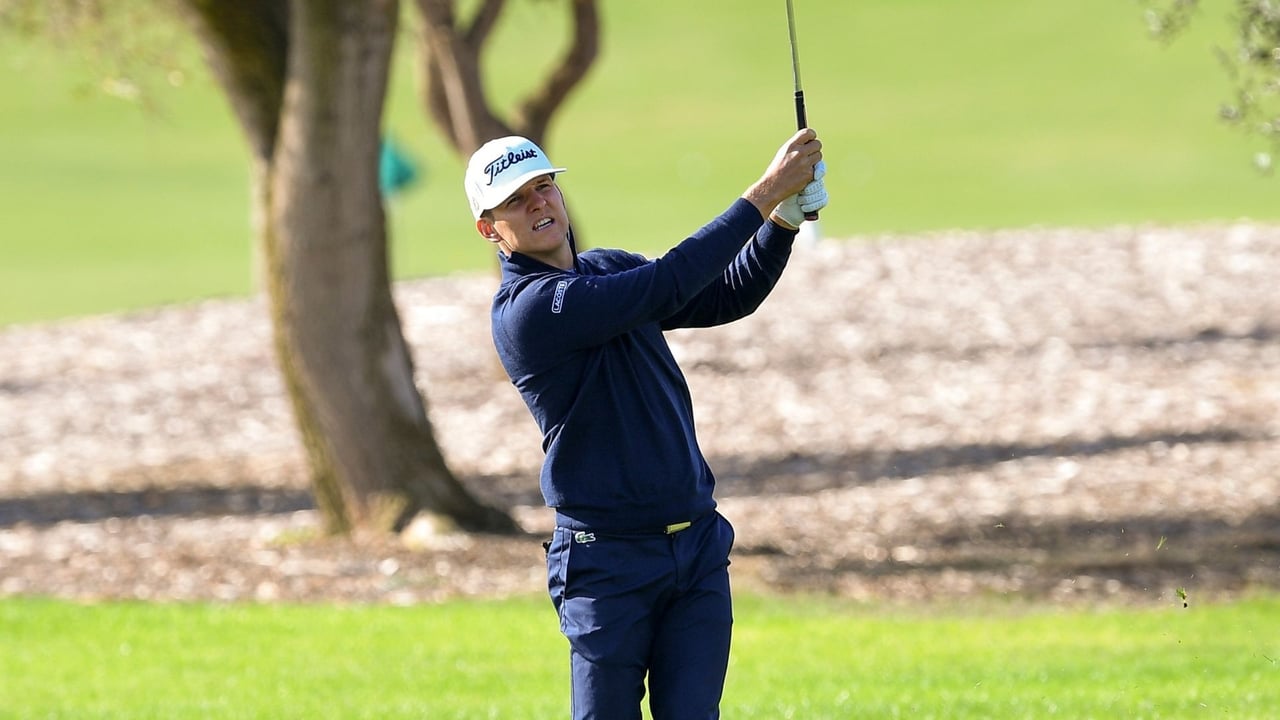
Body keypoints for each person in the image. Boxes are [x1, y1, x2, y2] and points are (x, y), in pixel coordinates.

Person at [462, 129, 828, 719]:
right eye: (514, 200)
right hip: (604, 564)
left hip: (696, 549)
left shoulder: (607, 270)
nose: (538, 203)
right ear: (489, 229)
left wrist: (782, 223)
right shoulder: (528, 311)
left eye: (544, 187)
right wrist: (764, 193)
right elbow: (668, 282)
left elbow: (726, 294)